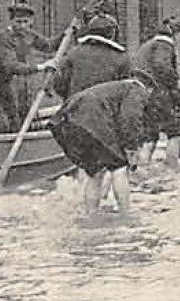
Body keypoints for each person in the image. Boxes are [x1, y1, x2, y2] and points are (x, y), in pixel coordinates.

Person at [49, 73, 154, 215]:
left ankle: (91, 215)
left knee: (95, 172)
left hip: (63, 124)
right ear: (149, 89)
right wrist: (131, 149)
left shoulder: (111, 89)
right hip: (89, 123)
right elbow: (129, 120)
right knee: (119, 168)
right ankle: (126, 214)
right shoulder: (136, 90)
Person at [0, 3, 61, 133]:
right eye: (18, 22)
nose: (21, 26)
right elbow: (12, 66)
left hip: (3, 84)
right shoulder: (3, 38)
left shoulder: (28, 35)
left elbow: (48, 45)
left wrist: (67, 33)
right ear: (11, 21)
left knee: (15, 122)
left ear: (31, 21)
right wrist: (41, 67)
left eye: (25, 22)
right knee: (1, 125)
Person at [131, 18, 180, 166]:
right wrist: (176, 83)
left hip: (142, 94)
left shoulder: (148, 45)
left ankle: (142, 169)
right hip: (158, 94)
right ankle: (172, 167)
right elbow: (162, 67)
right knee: (175, 133)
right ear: (175, 34)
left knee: (149, 136)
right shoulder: (164, 45)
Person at [53, 14, 132, 100]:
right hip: (107, 111)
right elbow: (126, 92)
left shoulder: (74, 53)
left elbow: (58, 85)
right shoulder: (121, 58)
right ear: (112, 33)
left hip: (75, 108)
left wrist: (70, 99)